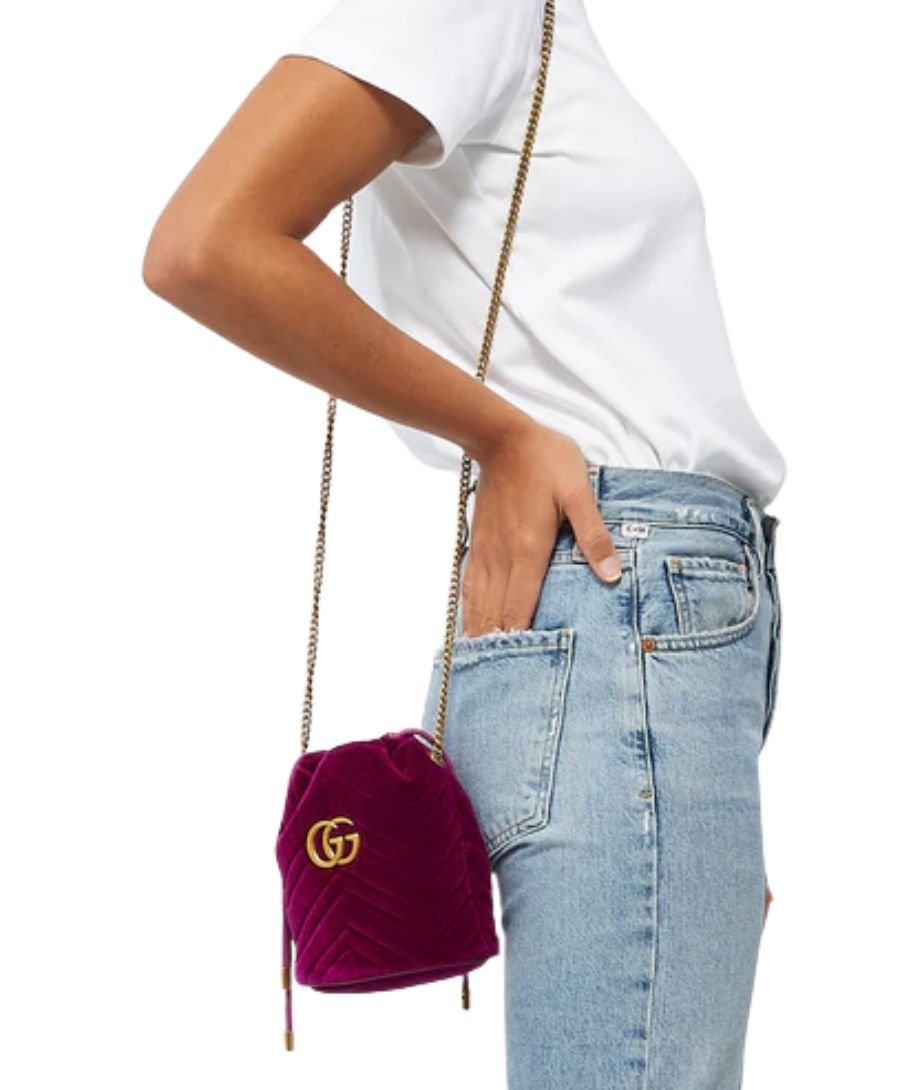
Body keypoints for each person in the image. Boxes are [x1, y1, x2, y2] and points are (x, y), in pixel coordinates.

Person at [142, 1, 785, 1085]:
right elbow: (204, 249)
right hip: (626, 591)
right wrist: (505, 434)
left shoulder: (535, 27)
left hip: (647, 615)